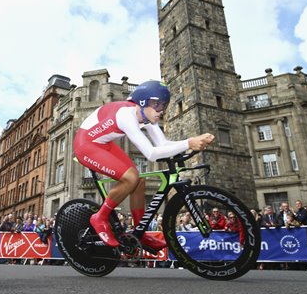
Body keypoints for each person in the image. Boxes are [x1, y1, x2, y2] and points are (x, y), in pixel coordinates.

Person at [73, 80, 214, 250]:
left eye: (164, 106)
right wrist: (189, 143)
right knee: (130, 177)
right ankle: (99, 217)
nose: (161, 111)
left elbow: (162, 144)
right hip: (85, 144)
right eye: (157, 105)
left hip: (104, 143)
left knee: (138, 181)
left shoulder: (148, 117)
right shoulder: (126, 115)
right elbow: (151, 153)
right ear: (142, 102)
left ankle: (141, 232)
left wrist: (190, 142)